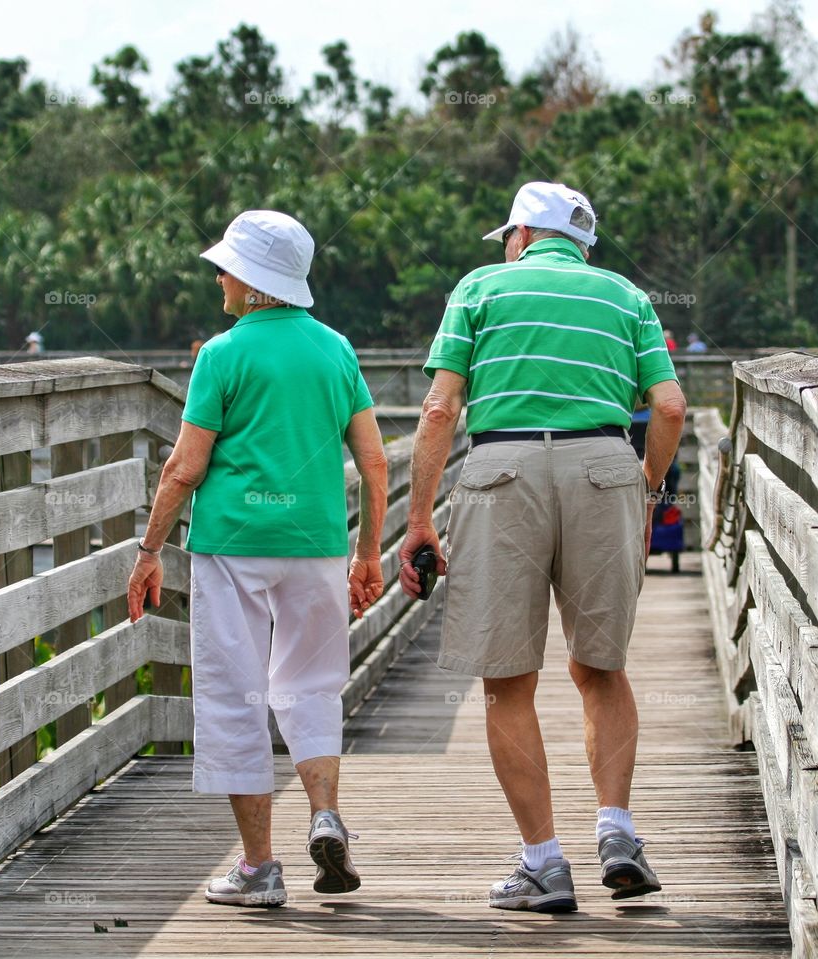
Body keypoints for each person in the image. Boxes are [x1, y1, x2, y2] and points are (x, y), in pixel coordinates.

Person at [399, 182, 686, 912]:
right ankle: (617, 832)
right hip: (603, 467)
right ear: (581, 244)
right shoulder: (624, 296)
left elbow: (440, 407)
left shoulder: (480, 288)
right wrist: (644, 485)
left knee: (507, 679)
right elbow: (671, 406)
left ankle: (543, 864)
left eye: (507, 235)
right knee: (602, 668)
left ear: (524, 233)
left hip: (503, 470)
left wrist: (419, 519)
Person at [127, 210, 388, 908]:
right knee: (311, 685)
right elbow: (373, 462)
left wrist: (149, 549)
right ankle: (325, 813)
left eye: (227, 267)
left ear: (251, 280)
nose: (219, 276)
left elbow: (183, 468)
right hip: (316, 545)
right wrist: (368, 553)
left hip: (234, 546)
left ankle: (259, 868)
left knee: (234, 694)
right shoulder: (336, 350)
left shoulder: (222, 354)